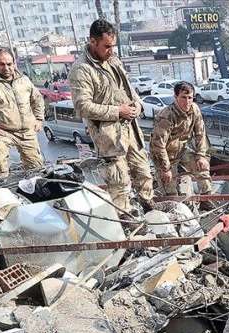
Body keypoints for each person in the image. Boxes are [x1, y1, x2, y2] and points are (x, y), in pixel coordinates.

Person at [68, 19, 154, 215]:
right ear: (93, 41)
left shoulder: (113, 60)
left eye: (113, 46)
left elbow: (128, 89)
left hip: (130, 129)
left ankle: (148, 207)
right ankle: (124, 219)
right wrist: (117, 111)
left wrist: (138, 104)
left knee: (143, 172)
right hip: (109, 137)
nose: (111, 51)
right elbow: (82, 107)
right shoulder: (81, 69)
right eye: (106, 46)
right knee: (119, 182)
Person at [0, 48, 45, 180]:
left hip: (27, 132)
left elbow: (37, 100)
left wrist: (39, 119)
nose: (6, 68)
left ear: (14, 63)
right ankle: (0, 182)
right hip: (3, 131)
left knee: (36, 171)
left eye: (9, 64)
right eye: (1, 64)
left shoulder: (23, 80)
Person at [150, 81, 214, 209]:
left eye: (190, 97)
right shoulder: (166, 116)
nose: (187, 101)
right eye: (183, 97)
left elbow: (200, 133)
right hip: (164, 155)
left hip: (182, 149)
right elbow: (158, 145)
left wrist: (200, 156)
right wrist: (165, 168)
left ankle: (206, 200)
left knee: (202, 169)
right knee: (170, 189)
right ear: (176, 97)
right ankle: (175, 210)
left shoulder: (194, 109)